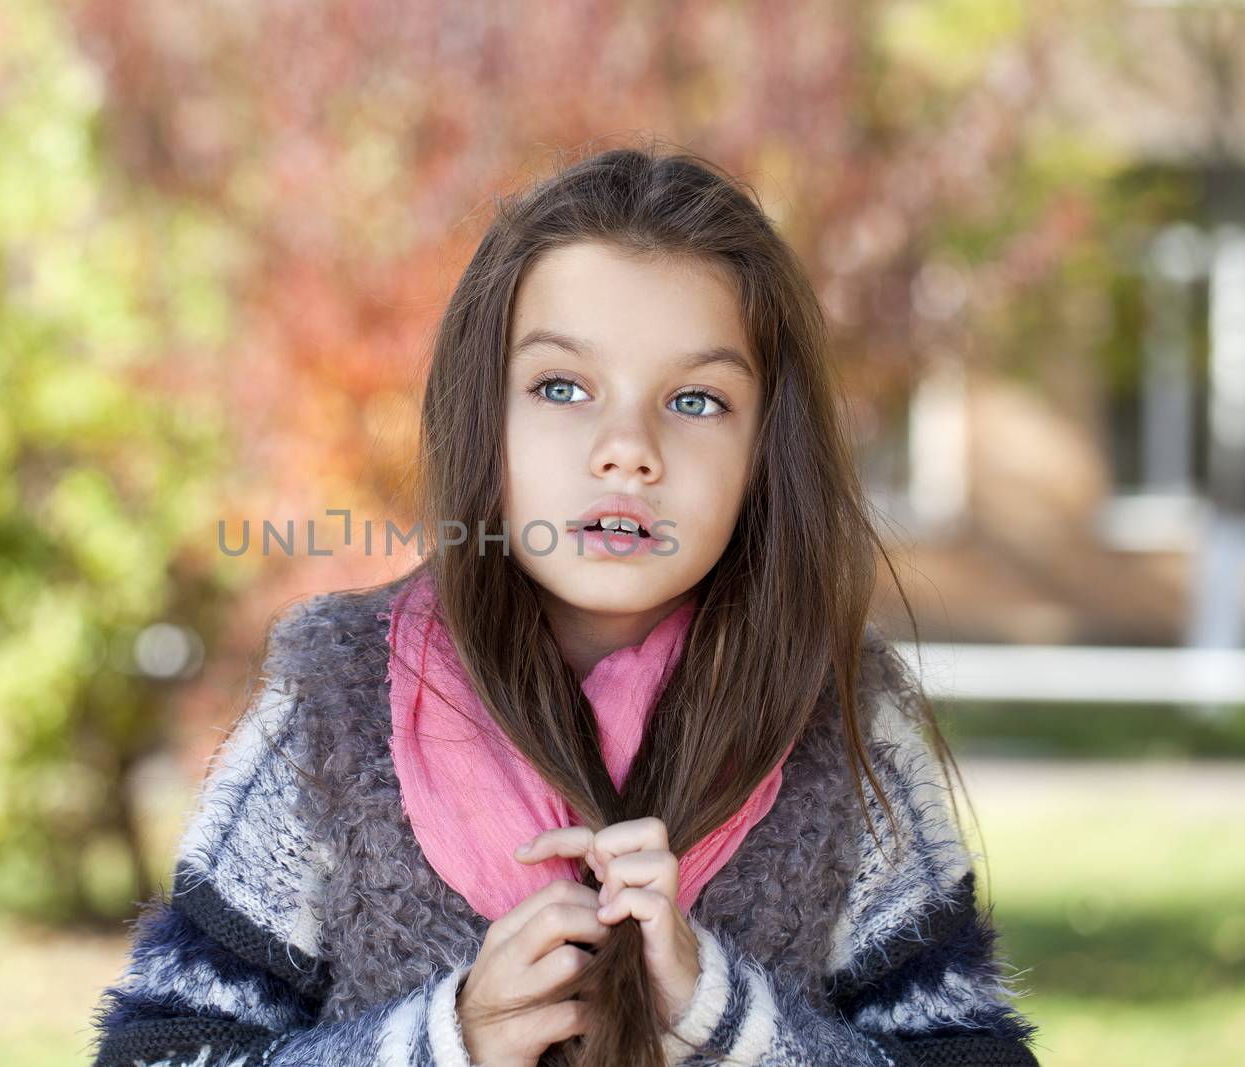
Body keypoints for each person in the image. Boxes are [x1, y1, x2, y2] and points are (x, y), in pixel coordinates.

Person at [87, 143, 1043, 1067]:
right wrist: (449, 1039)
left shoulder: (843, 717)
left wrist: (726, 1014)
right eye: (561, 386)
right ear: (482, 415)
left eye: (698, 400)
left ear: (766, 456)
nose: (627, 448)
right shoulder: (332, 702)